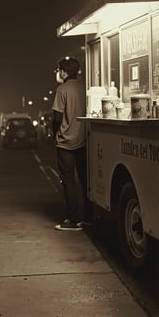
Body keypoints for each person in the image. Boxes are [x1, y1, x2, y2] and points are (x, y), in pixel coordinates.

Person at [52, 56, 92, 231]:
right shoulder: (85, 87)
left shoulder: (62, 89)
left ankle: (73, 219)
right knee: (85, 179)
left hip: (65, 143)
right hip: (84, 141)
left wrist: (55, 134)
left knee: (68, 181)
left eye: (58, 70)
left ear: (64, 71)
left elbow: (57, 117)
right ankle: (89, 217)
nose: (57, 73)